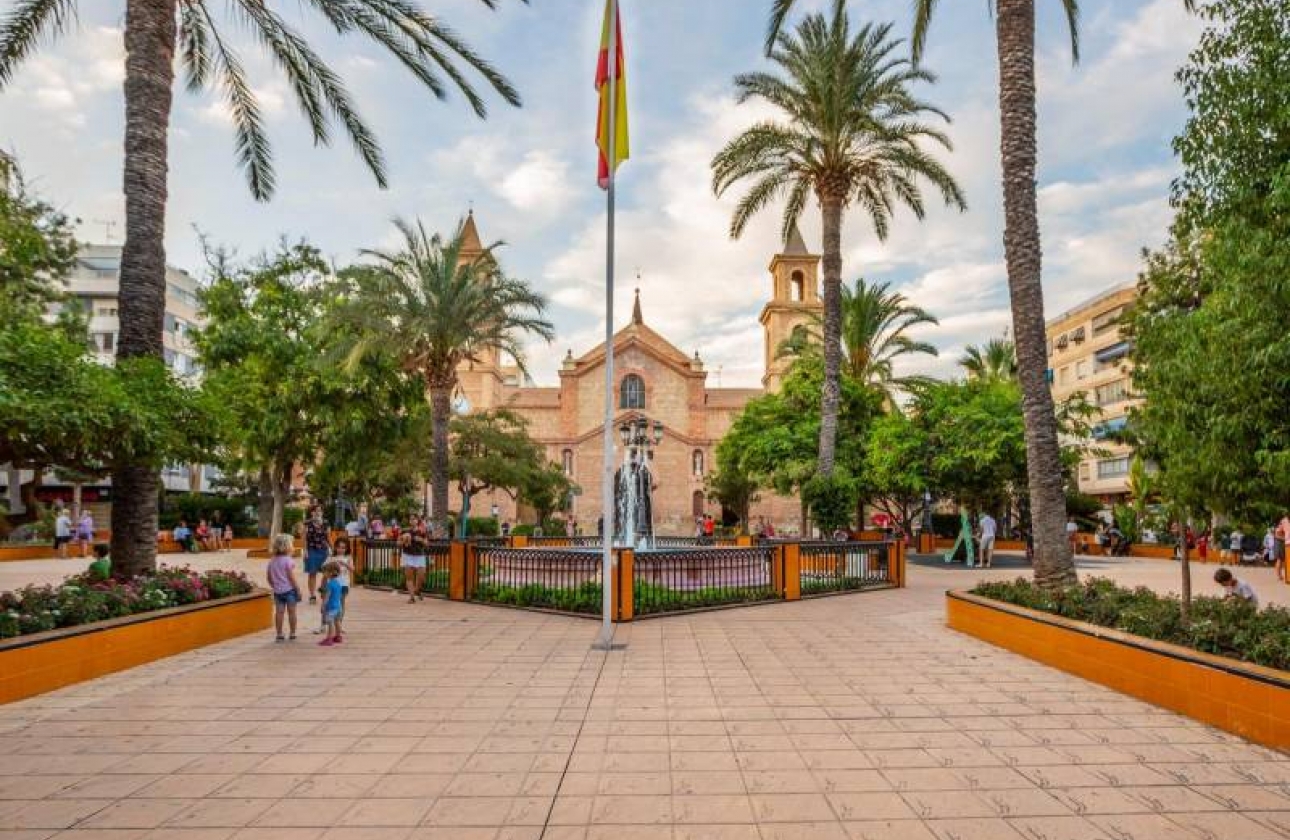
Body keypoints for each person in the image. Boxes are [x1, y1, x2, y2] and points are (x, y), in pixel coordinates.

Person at [266, 534, 302, 642]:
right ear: (288, 546)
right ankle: (292, 633)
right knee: (292, 612)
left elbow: (268, 577)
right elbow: (291, 577)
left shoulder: (272, 561)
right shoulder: (288, 560)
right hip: (290, 591)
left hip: (278, 592)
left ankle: (279, 634)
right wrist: (298, 589)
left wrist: (275, 585)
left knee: (279, 612)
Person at [303, 507, 331, 605]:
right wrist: (305, 550)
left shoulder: (326, 523)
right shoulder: (307, 523)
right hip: (311, 550)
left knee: (327, 573)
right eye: (316, 510)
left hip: (324, 550)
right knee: (312, 573)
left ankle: (323, 588)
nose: (318, 512)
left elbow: (328, 537)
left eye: (320, 510)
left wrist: (332, 549)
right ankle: (312, 595)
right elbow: (304, 538)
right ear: (311, 512)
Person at [400, 515, 429, 604]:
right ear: (409, 521)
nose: (412, 521)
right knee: (409, 577)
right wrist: (404, 541)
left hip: (420, 555)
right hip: (408, 555)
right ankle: (412, 597)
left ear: (417, 521)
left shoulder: (422, 531)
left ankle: (417, 590)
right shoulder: (404, 531)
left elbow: (427, 543)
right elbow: (398, 542)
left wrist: (420, 539)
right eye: (411, 519)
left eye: (414, 519)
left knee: (421, 576)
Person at [317, 561, 345, 646]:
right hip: (338, 606)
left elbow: (327, 597)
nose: (323, 574)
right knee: (337, 622)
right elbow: (339, 595)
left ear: (331, 572)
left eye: (325, 572)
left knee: (330, 623)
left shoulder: (329, 584)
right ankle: (338, 636)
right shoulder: (338, 583)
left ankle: (329, 638)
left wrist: (323, 605)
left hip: (331, 607)